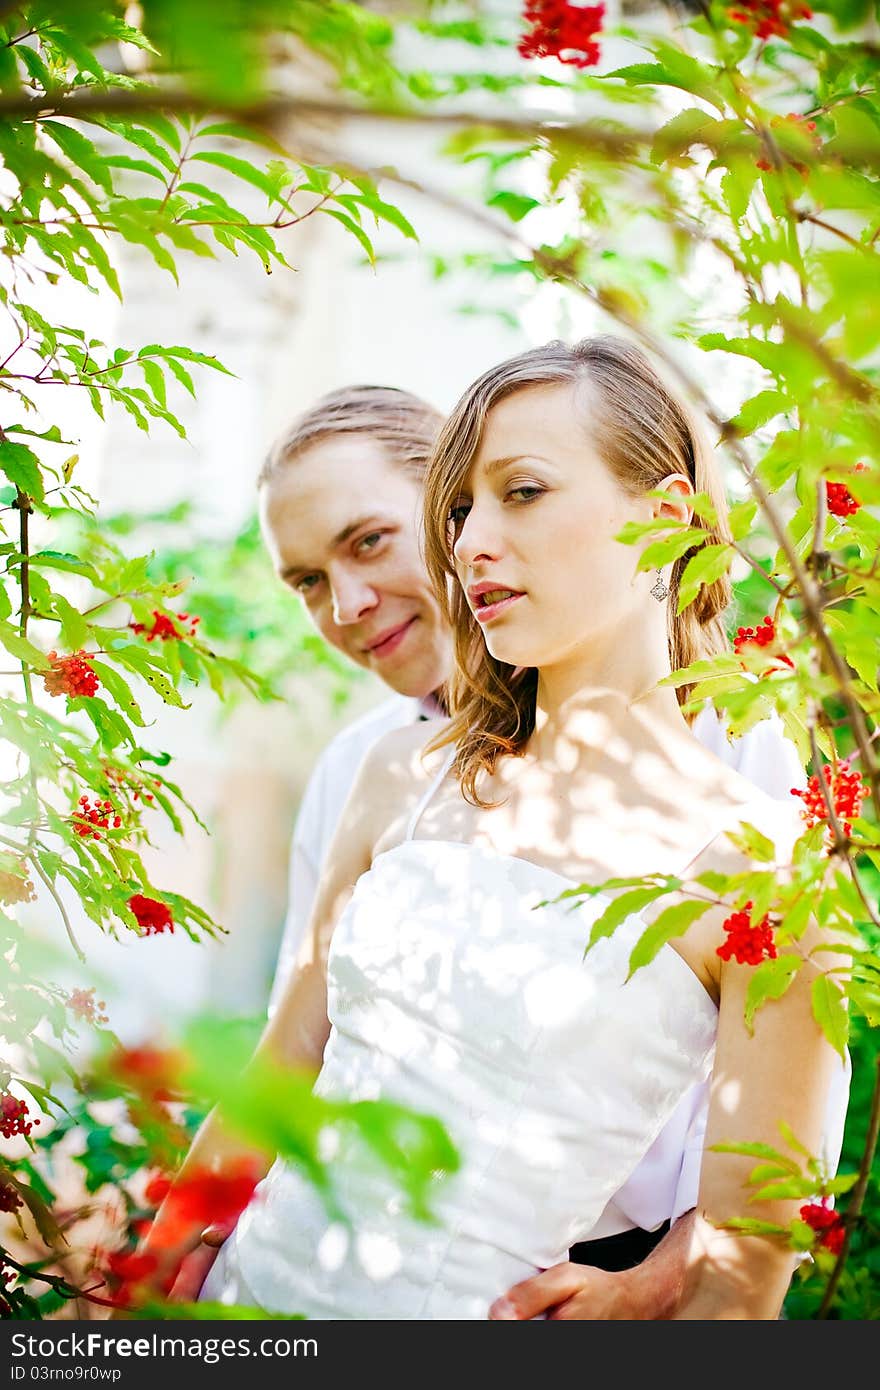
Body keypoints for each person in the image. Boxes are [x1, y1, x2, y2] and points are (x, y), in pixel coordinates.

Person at [143, 336, 848, 1320]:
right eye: (461, 509)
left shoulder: (760, 864)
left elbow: (746, 1265)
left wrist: (647, 1286)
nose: (468, 543)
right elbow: (284, 1061)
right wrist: (152, 1272)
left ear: (667, 516)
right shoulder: (393, 775)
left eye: (521, 492)